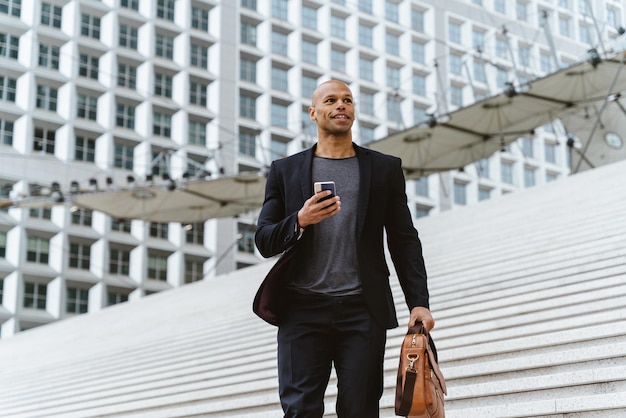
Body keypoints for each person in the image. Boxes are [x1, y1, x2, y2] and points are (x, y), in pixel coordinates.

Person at [254, 80, 434, 418]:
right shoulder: (285, 170)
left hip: (362, 311)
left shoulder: (384, 169)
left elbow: (403, 239)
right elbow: (264, 240)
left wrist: (419, 303)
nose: (341, 105)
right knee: (300, 410)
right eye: (331, 100)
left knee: (360, 410)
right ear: (313, 112)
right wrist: (301, 219)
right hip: (301, 310)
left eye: (348, 100)